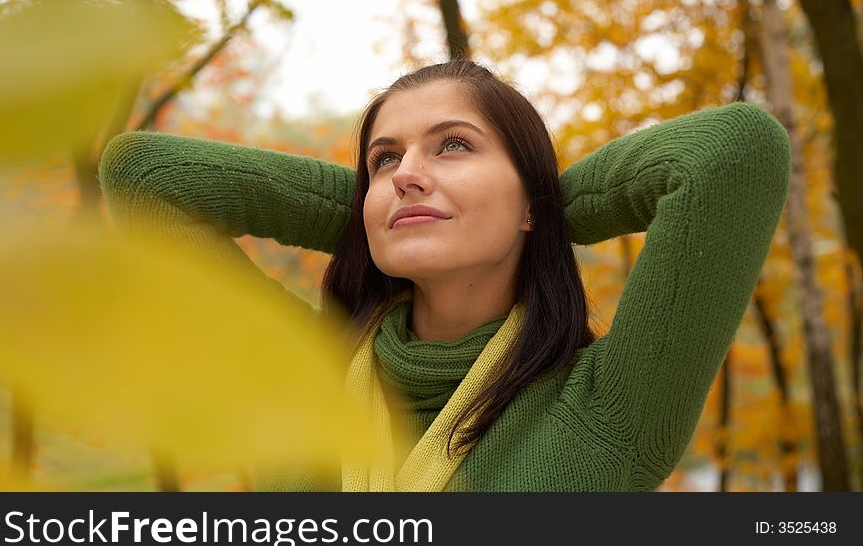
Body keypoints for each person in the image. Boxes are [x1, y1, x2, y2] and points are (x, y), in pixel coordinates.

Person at [97, 60, 791, 491]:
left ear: (529, 200)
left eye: (453, 144)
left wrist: (542, 206)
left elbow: (731, 153)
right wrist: (382, 219)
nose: (408, 175)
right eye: (384, 160)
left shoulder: (610, 404)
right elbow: (143, 175)